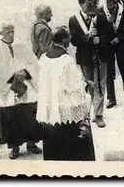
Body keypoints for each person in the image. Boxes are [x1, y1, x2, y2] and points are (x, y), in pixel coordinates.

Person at [36, 26, 95, 161]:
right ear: (65, 41)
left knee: (54, 149)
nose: (69, 41)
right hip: (65, 112)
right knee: (71, 150)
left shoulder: (44, 58)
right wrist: (88, 85)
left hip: (49, 111)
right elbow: (75, 87)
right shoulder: (66, 60)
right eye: (68, 38)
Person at [0, 22, 42, 159]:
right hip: (7, 87)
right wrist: (12, 75)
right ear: (2, 33)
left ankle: (31, 143)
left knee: (30, 112)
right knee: (11, 115)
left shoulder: (21, 45)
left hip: (26, 83)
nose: (11, 34)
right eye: (8, 32)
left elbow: (33, 63)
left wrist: (25, 72)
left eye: (12, 31)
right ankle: (14, 147)